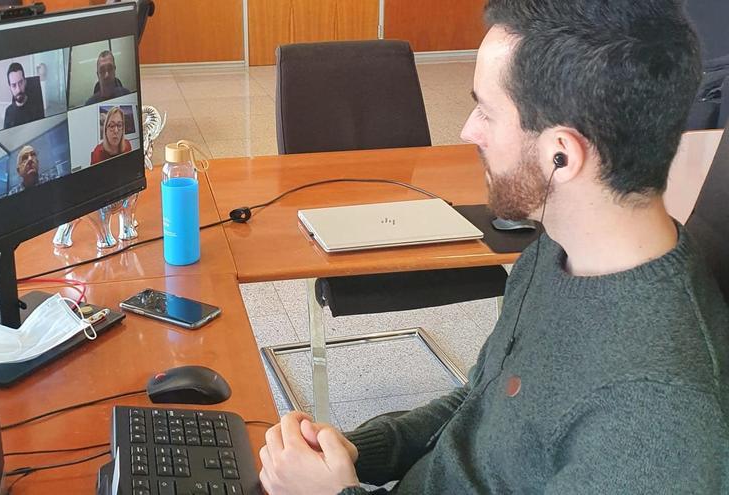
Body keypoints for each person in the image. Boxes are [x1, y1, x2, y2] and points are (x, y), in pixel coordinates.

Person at [258, 1, 729, 494]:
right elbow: (483, 404)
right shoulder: (557, 253)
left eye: (487, 110)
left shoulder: (657, 423)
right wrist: (364, 450)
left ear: (561, 155)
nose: (468, 130)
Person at [3, 62, 44, 129]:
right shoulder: (8, 112)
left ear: (25, 82)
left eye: (20, 83)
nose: (18, 89)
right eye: (14, 85)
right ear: (10, 87)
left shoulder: (36, 105)